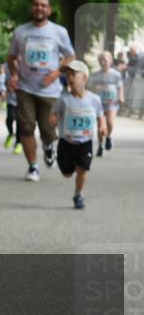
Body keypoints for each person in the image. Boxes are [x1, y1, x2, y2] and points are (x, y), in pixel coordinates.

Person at [7, 0, 75, 182]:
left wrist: (56, 73)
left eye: (43, 5)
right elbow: (11, 57)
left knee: (48, 130)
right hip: (25, 87)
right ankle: (33, 167)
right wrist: (13, 75)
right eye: (36, 4)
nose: (39, 8)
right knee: (26, 128)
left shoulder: (58, 31)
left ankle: (48, 147)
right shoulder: (21, 31)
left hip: (50, 90)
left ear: (49, 10)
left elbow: (70, 56)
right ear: (32, 8)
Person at [49, 61, 106, 209]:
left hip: (85, 142)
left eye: (73, 74)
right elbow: (54, 113)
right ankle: (66, 162)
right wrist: (53, 121)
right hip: (66, 142)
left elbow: (100, 115)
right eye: (67, 75)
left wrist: (102, 126)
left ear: (85, 78)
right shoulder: (63, 99)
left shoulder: (94, 99)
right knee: (67, 173)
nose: (70, 77)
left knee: (82, 169)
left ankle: (78, 194)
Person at [89, 51, 123, 156]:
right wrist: (94, 90)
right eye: (101, 60)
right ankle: (100, 146)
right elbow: (90, 88)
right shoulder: (95, 74)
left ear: (110, 61)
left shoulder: (116, 74)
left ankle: (108, 137)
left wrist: (121, 96)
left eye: (106, 59)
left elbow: (120, 86)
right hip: (99, 103)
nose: (104, 62)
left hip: (112, 102)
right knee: (101, 125)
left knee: (110, 123)